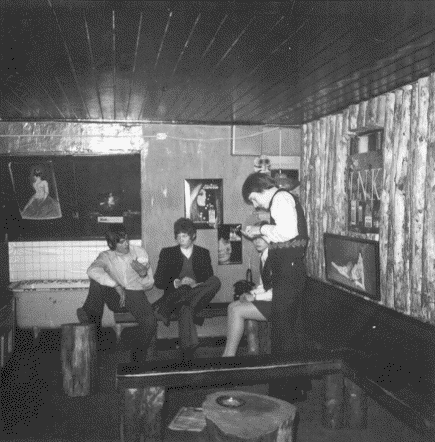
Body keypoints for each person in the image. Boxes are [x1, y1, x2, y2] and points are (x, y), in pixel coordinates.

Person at [241, 172, 309, 399]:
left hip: (289, 274)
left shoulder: (281, 199)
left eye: (253, 198)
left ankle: (284, 392)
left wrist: (260, 229)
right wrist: (260, 231)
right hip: (289, 273)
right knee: (290, 332)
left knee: (283, 333)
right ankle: (295, 388)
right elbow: (285, 237)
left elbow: (288, 233)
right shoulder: (282, 200)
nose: (255, 204)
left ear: (260, 189)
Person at [76, 224, 156, 363]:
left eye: (127, 239)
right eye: (121, 242)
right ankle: (92, 321)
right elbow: (91, 271)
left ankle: (136, 354)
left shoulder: (139, 252)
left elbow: (149, 284)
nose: (126, 244)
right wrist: (116, 285)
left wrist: (143, 275)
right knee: (97, 281)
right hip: (115, 296)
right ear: (112, 244)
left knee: (150, 323)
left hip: (135, 294)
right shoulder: (106, 256)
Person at [153, 217, 221, 357]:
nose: (180, 239)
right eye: (178, 236)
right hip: (178, 293)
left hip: (197, 296)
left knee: (215, 281)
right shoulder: (167, 253)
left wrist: (195, 284)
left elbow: (208, 280)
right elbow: (158, 281)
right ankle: (188, 350)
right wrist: (176, 283)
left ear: (193, 235)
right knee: (185, 305)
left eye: (184, 236)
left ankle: (169, 305)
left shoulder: (203, 253)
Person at [222, 233, 272, 357]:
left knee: (237, 311)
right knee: (232, 306)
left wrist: (254, 297)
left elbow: (277, 291)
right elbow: (264, 286)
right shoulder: (264, 256)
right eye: (255, 238)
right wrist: (250, 293)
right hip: (269, 300)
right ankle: (227, 354)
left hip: (278, 304)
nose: (257, 241)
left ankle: (228, 357)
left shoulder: (274, 257)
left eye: (261, 238)